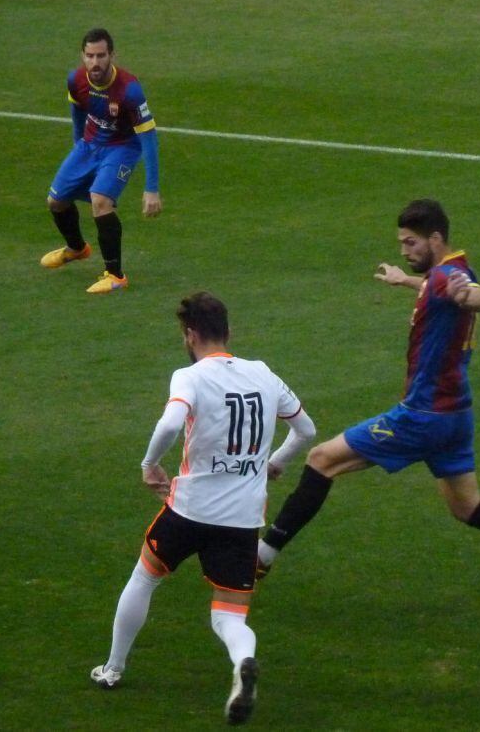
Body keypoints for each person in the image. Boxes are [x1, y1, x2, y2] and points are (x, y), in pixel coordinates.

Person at [257, 198, 480, 592]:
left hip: (422, 416)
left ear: (434, 238)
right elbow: (442, 286)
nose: (404, 250)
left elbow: (478, 297)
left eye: (410, 243)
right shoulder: (448, 272)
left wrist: (472, 298)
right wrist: (405, 280)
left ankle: (261, 558)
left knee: (321, 460)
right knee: (467, 507)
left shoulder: (452, 282)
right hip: (456, 417)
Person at [90, 292, 316, 725]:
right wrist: (274, 463)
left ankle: (113, 669)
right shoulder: (264, 374)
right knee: (229, 615)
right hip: (243, 519)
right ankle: (242, 664)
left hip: (190, 511)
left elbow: (172, 422)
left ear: (189, 335)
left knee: (145, 576)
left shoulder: (190, 376)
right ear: (228, 332)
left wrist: (149, 464)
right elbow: (306, 429)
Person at [41, 28, 162, 293]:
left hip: (122, 148)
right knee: (56, 201)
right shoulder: (76, 80)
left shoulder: (129, 90)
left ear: (112, 55)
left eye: (101, 56)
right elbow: (76, 111)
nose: (95, 62)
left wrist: (151, 188)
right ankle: (77, 248)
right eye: (90, 56)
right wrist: (78, 147)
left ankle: (116, 275)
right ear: (82, 56)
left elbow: (149, 137)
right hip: (89, 145)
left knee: (100, 200)